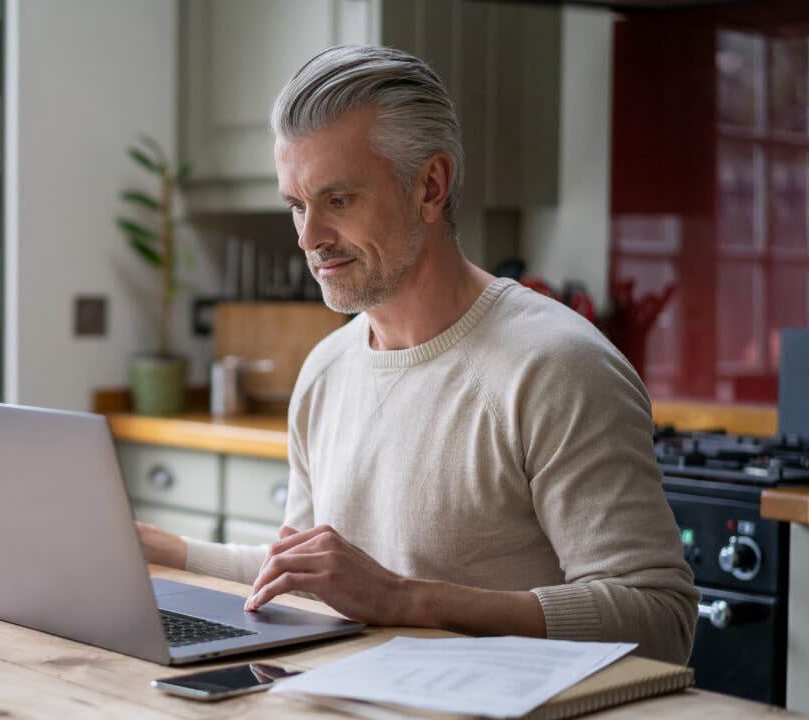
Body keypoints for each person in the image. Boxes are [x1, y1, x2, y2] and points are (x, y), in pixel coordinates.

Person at [137, 45, 697, 664]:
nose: (308, 237)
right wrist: (162, 551)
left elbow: (661, 620)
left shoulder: (557, 367)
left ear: (430, 186)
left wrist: (412, 600)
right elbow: (306, 572)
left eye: (338, 200)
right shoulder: (325, 371)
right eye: (296, 205)